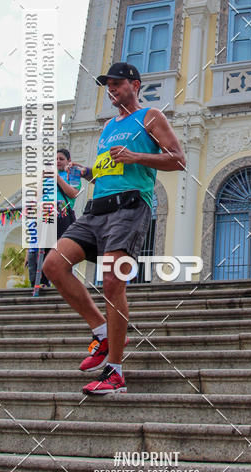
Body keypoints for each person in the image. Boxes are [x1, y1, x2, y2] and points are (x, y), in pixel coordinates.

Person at [42, 62, 186, 395]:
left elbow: (178, 159)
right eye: (108, 85)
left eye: (117, 84)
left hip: (130, 209)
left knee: (111, 281)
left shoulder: (150, 117)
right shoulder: (108, 126)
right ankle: (101, 331)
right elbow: (111, 169)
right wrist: (90, 172)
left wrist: (136, 156)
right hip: (96, 210)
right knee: (53, 265)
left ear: (135, 85)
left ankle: (116, 372)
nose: (112, 89)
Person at [29, 149, 82, 289]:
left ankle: (62, 281)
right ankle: (40, 282)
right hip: (44, 214)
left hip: (62, 214)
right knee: (40, 249)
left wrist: (58, 178)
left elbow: (73, 193)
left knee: (59, 249)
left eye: (61, 159)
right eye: (55, 159)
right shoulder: (47, 177)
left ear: (68, 161)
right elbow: (36, 197)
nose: (57, 161)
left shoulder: (73, 174)